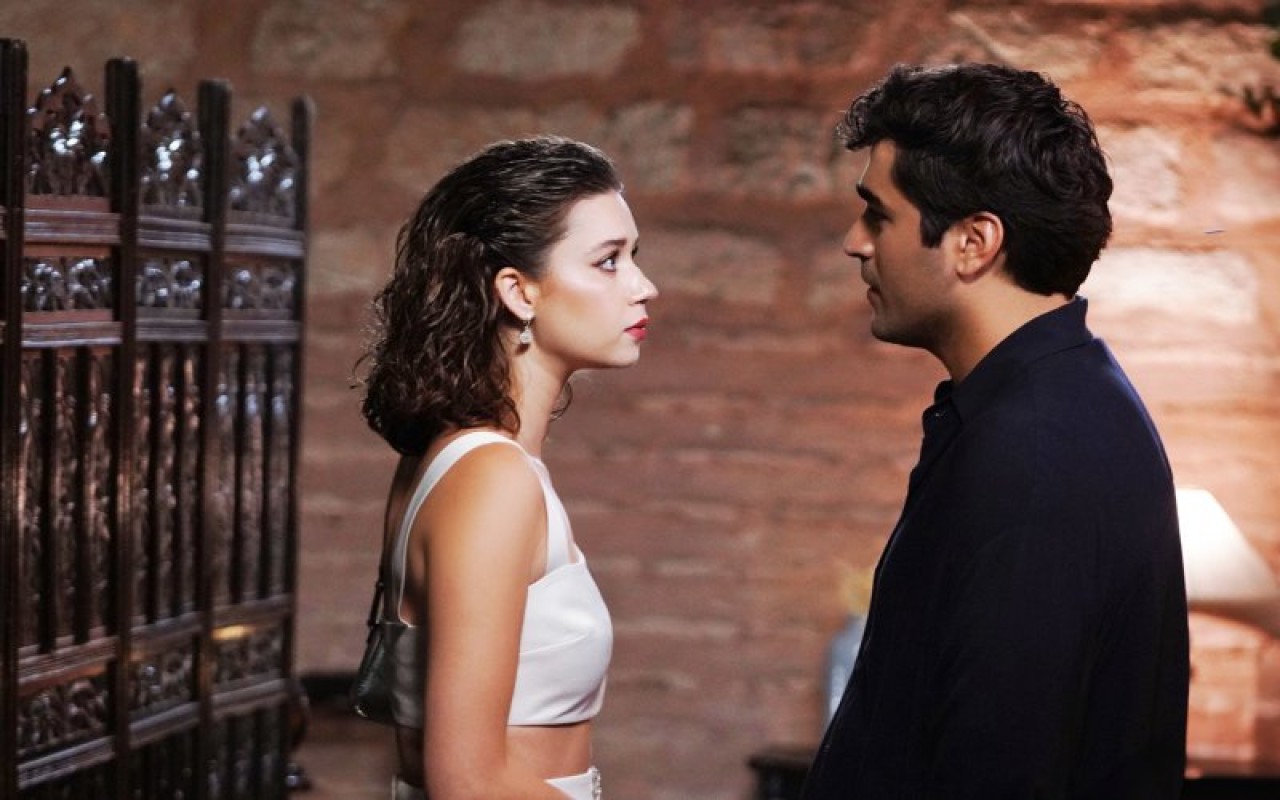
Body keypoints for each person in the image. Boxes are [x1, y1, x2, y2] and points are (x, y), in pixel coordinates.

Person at [802, 63, 1190, 799]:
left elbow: (1000, 764)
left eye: (878, 215)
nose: (855, 243)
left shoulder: (1038, 451)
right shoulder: (1048, 407)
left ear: (974, 242)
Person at [357, 135, 658, 799]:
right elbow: (466, 780)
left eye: (634, 258)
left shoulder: (453, 457)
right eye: (609, 261)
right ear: (519, 291)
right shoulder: (492, 478)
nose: (644, 287)